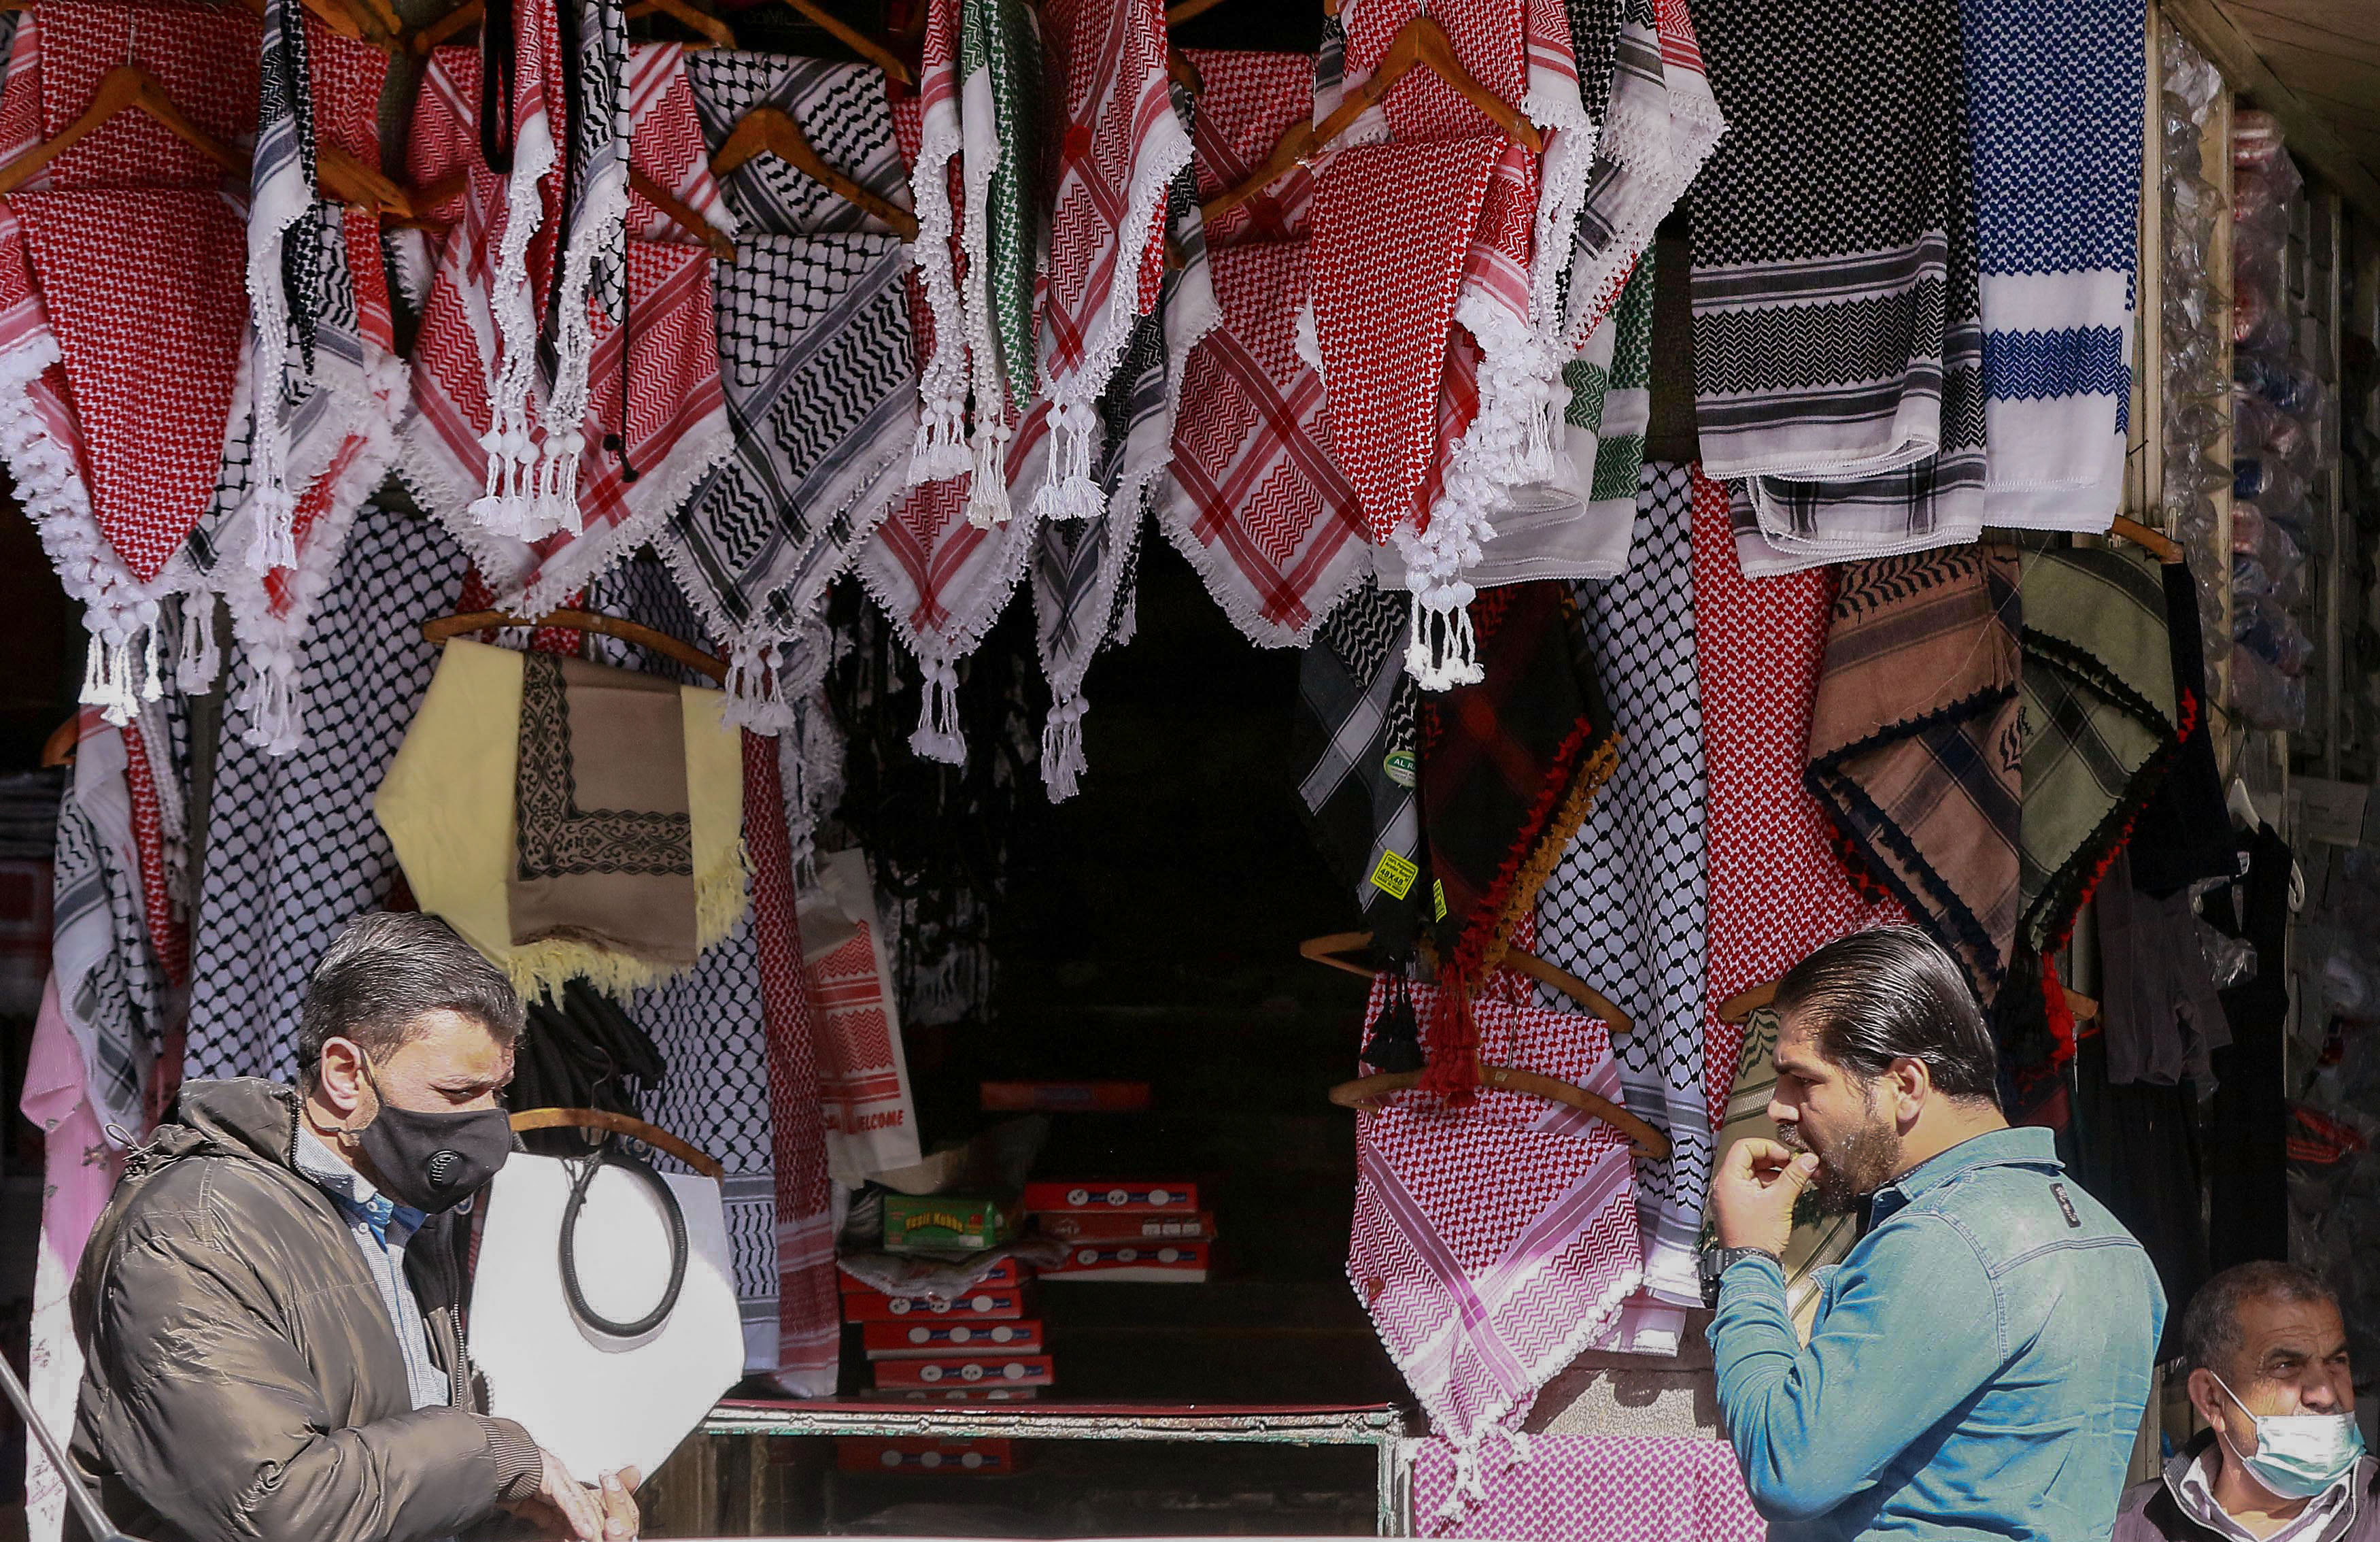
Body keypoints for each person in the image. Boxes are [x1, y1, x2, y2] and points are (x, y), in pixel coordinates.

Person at [68, 911, 639, 1542]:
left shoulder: (407, 1223)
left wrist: (551, 1524)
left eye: (497, 1093)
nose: (488, 1124)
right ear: (345, 1074)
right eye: (457, 1093)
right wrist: (495, 1456)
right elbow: (278, 1508)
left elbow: (402, 1497)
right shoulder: (197, 1228)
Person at [1703, 926, 2165, 1541]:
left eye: (1803, 1080)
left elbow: (1786, 1466)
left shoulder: (1943, 1242)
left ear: (1906, 1085)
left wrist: (1749, 1258)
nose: (1779, 1108)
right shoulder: (2116, 1243)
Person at [2118, 1261, 2373, 1542]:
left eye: (2336, 1362)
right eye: (2286, 1366)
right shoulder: (2134, 1525)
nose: (2325, 1394)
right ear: (2212, 1399)